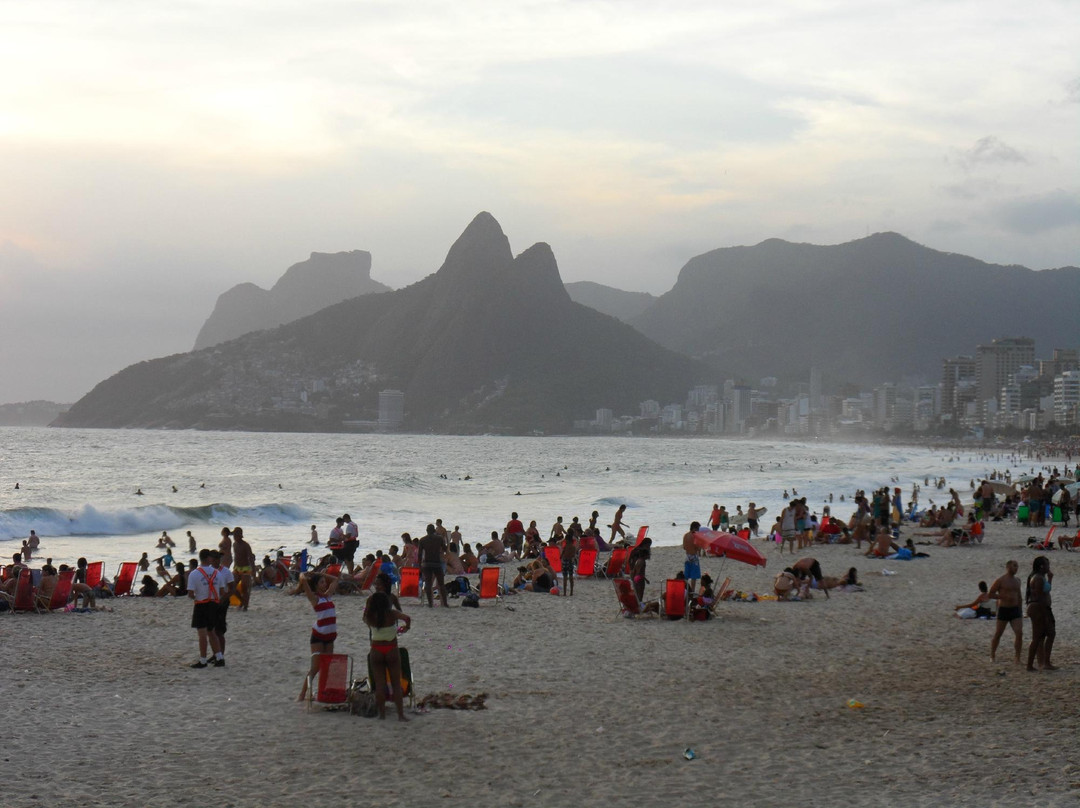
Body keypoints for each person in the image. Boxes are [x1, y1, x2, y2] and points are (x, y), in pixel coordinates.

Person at [363, 591, 411, 721]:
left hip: (376, 650)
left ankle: (382, 715)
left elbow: (365, 615)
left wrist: (369, 602)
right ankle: (400, 715)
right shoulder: (391, 614)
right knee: (396, 683)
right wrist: (407, 628)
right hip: (391, 649)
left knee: (379, 684)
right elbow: (407, 618)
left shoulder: (370, 616)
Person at [296, 571, 340, 701]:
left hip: (330, 636)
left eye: (324, 582)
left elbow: (335, 579)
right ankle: (302, 694)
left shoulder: (328, 596)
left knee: (327, 666)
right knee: (315, 667)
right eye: (321, 582)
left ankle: (323, 692)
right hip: (318, 636)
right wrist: (304, 575)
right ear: (315, 586)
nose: (324, 584)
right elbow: (303, 580)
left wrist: (317, 573)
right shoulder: (315, 599)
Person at [187, 549, 225, 668]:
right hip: (214, 604)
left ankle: (203, 660)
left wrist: (199, 595)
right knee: (212, 632)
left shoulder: (194, 574)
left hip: (201, 604)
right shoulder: (217, 573)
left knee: (202, 634)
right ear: (209, 558)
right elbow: (222, 591)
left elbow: (190, 594)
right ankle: (219, 657)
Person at [988, 560, 1024, 664]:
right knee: (998, 633)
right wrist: (1002, 596)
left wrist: (1021, 610)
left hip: (1015, 610)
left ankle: (1017, 658)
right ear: (1008, 567)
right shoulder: (1000, 580)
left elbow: (1019, 596)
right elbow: (991, 594)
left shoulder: (1017, 580)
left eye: (1017, 566)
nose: (1016, 568)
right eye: (1014, 566)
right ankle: (992, 654)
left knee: (1019, 633)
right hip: (1004, 609)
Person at [1025, 556, 1056, 671]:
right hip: (1039, 609)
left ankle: (1043, 662)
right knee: (1039, 636)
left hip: (1042, 608)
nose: (1049, 567)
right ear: (1041, 566)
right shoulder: (1037, 578)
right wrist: (1045, 613)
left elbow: (1045, 591)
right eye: (1047, 564)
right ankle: (1033, 664)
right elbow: (1039, 596)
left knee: (1044, 635)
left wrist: (1050, 578)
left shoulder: (1040, 577)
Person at [209, 550, 235, 662]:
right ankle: (215, 653)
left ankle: (221, 655)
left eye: (217, 558)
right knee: (211, 630)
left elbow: (232, 588)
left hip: (222, 602)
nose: (215, 560)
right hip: (210, 601)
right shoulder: (207, 571)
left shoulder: (226, 572)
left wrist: (223, 599)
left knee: (219, 630)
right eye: (213, 558)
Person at [418, 524, 448, 608]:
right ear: (434, 530)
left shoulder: (422, 540)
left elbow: (419, 555)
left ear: (427, 531)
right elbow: (445, 549)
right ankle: (445, 603)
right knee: (441, 584)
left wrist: (420, 565)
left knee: (428, 583)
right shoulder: (439, 539)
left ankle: (430, 603)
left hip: (427, 563)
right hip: (437, 562)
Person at [231, 527, 254, 611]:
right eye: (233, 535)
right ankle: (242, 601)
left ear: (240, 535)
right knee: (231, 586)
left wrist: (253, 572)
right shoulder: (234, 544)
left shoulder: (246, 545)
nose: (234, 536)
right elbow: (236, 557)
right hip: (237, 568)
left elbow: (251, 558)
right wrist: (234, 566)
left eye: (235, 534)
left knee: (244, 588)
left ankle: (244, 606)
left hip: (245, 568)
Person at [681, 522, 701, 593]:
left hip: (687, 557)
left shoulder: (685, 535)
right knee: (694, 576)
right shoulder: (695, 536)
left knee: (686, 575)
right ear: (694, 528)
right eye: (698, 528)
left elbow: (684, 547)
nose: (698, 530)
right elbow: (697, 548)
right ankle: (692, 590)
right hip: (694, 557)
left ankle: (685, 590)